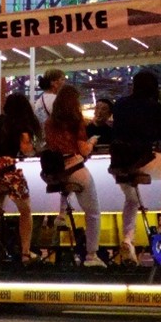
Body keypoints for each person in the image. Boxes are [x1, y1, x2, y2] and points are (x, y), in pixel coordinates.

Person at [110, 70, 161, 261]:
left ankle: (128, 240)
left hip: (118, 162)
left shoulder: (119, 104)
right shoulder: (156, 107)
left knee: (131, 200)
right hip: (141, 159)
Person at [43, 85, 104, 268]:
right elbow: (83, 150)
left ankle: (62, 215)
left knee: (66, 186)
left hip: (54, 174)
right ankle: (91, 256)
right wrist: (92, 141)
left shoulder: (48, 123)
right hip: (75, 169)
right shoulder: (76, 121)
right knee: (93, 213)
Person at [0, 92, 41, 261]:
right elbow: (27, 150)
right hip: (8, 167)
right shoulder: (21, 125)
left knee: (0, 196)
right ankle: (25, 252)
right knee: (25, 211)